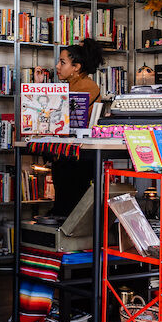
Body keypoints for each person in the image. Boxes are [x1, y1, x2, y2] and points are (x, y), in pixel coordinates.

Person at [49, 38, 105, 217]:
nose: (57, 66)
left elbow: (60, 120)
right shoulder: (75, 85)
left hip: (78, 159)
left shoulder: (84, 87)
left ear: (76, 67)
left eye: (62, 62)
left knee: (67, 208)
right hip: (74, 155)